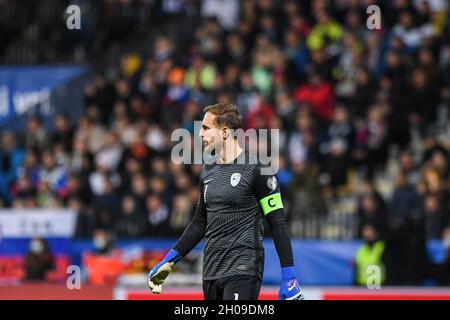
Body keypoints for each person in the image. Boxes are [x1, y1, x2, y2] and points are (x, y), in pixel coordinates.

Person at [148, 103, 303, 300]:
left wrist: (289, 275)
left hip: (243, 268)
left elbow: (278, 222)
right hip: (211, 270)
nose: (201, 134)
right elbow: (199, 222)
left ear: (224, 132)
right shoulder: (207, 169)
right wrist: (169, 260)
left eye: (205, 128)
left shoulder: (258, 169)